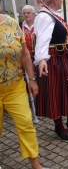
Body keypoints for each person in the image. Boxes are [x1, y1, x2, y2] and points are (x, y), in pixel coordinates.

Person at [34, 0, 68, 140]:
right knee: (56, 92)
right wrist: (42, 59)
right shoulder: (44, 16)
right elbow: (42, 40)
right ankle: (58, 125)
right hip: (55, 60)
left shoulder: (54, 14)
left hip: (65, 58)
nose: (63, 1)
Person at [0, 13, 44, 169]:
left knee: (26, 123)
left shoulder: (12, 22)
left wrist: (32, 80)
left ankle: (35, 163)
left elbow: (24, 53)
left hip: (15, 86)